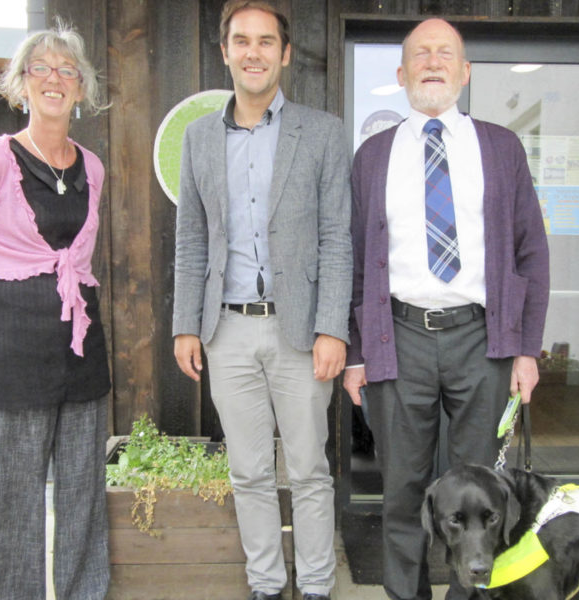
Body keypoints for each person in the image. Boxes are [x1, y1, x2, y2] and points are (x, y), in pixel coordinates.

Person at [343, 18, 550, 600]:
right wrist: (357, 353)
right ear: (403, 73)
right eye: (420, 55)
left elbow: (532, 251)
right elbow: (356, 259)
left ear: (464, 72)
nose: (432, 62)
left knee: (481, 492)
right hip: (399, 337)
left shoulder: (501, 147)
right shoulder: (374, 155)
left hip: (482, 340)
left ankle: (471, 595)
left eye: (446, 54)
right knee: (404, 489)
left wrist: (526, 347)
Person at [172, 2, 351, 599]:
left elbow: (336, 238)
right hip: (226, 333)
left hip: (300, 333)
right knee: (248, 472)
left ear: (285, 53)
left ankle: (319, 586)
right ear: (224, 51)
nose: (254, 52)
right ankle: (267, 586)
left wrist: (333, 327)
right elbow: (191, 240)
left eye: (266, 41)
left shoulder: (322, 132)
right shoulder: (198, 139)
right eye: (242, 41)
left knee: (308, 472)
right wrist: (185, 326)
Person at [0, 22, 111, 600]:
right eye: (41, 68)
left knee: (82, 492)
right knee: (13, 497)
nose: (54, 78)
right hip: (14, 347)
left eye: (67, 69)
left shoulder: (92, 167)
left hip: (81, 348)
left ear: (81, 88)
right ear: (21, 84)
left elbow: (80, 261)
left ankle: (83, 592)